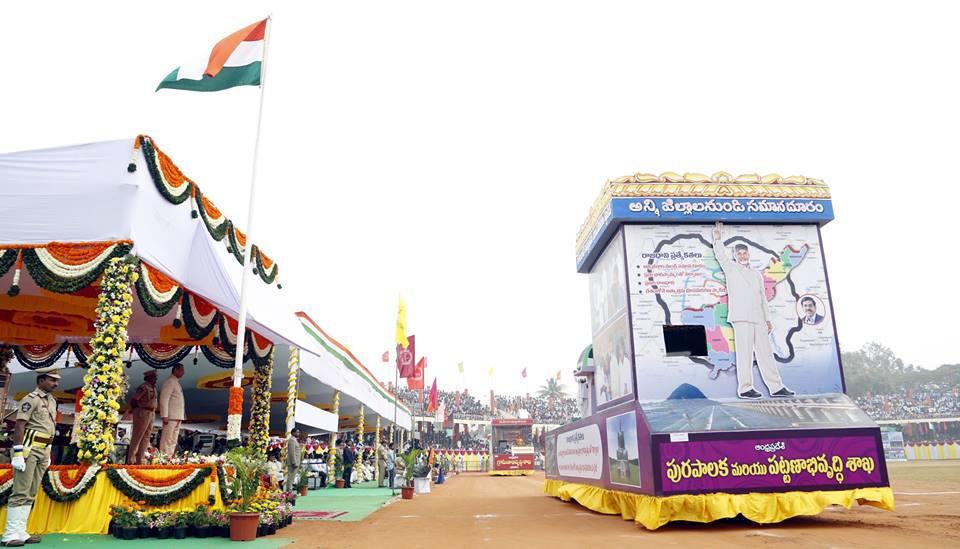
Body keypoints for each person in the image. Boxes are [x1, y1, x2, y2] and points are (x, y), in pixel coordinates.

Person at [713, 222, 794, 399]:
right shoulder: (731, 268)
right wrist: (718, 239)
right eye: (739, 253)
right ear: (734, 256)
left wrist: (768, 319)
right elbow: (720, 256)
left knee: (766, 354)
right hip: (741, 318)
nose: (742, 255)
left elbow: (762, 298)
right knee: (745, 354)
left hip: (759, 318)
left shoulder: (757, 274)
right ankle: (745, 388)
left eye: (744, 253)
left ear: (748, 254)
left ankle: (776, 387)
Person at [2, 367, 59, 547]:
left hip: (43, 449)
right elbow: (20, 426)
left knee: (31, 492)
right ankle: (9, 534)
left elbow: (48, 426)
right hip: (29, 448)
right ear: (41, 380)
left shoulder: (52, 400)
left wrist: (48, 450)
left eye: (56, 380)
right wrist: (18, 453)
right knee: (21, 491)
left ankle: (21, 531)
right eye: (51, 379)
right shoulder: (30, 399)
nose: (55, 383)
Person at [127, 369, 158, 464]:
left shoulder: (154, 388)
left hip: (151, 413)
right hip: (143, 412)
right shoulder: (143, 387)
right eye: (153, 377)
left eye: (155, 377)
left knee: (146, 437)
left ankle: (140, 459)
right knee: (137, 436)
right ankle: (131, 459)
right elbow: (134, 399)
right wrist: (136, 410)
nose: (155, 379)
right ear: (148, 378)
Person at [158, 363, 186, 456]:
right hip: (170, 416)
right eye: (181, 370)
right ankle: (163, 459)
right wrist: (164, 415)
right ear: (175, 370)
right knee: (167, 439)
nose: (183, 372)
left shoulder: (176, 382)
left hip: (177, 416)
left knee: (173, 440)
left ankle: (169, 458)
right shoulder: (169, 381)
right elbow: (164, 399)